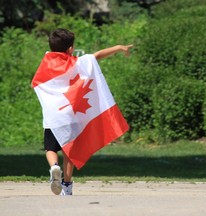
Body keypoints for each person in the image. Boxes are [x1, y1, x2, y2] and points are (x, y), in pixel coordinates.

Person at [34, 28, 133, 196]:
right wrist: (119, 47)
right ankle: (67, 185)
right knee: (69, 150)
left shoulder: (46, 65)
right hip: (71, 116)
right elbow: (98, 55)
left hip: (54, 117)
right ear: (71, 49)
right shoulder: (79, 62)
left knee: (50, 148)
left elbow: (36, 83)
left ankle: (54, 167)